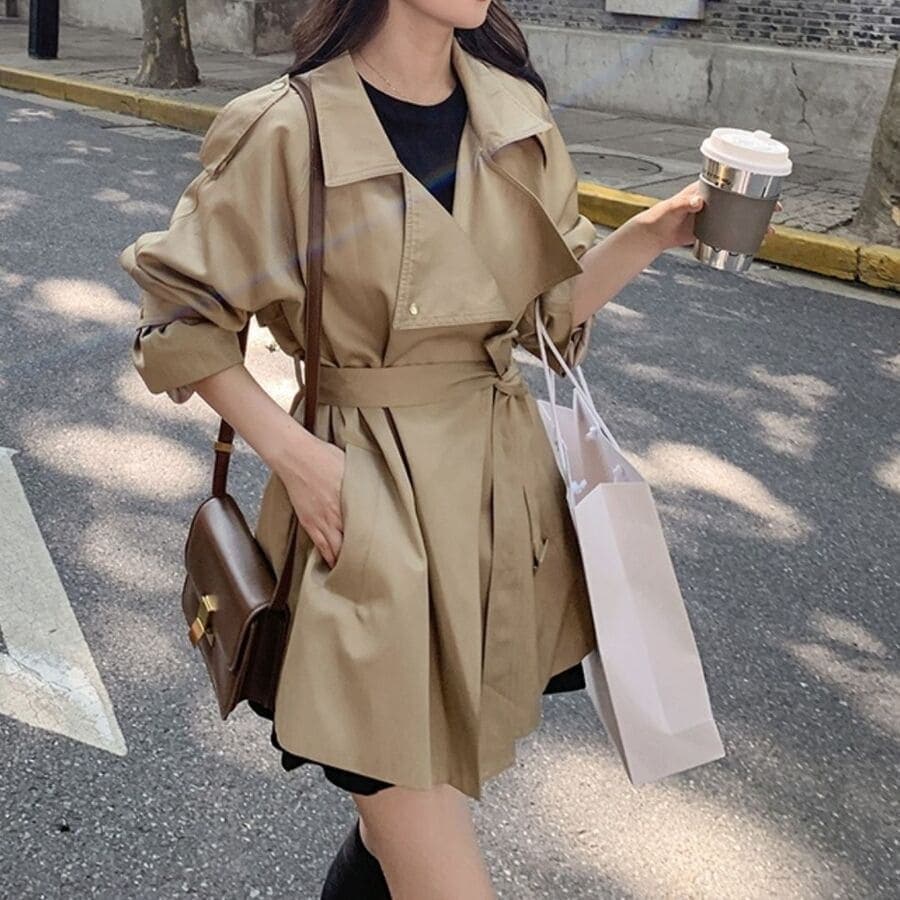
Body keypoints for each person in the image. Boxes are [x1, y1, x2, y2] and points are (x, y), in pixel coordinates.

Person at [118, 2, 743, 897]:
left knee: (393, 838)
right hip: (365, 518)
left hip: (491, 516)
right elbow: (178, 317)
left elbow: (540, 321)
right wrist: (297, 458)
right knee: (430, 852)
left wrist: (654, 232)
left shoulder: (512, 113)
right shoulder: (289, 126)